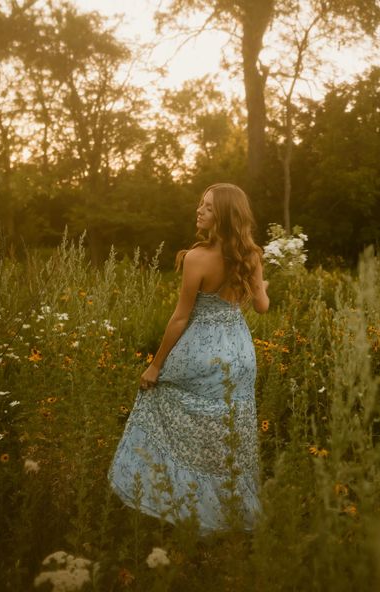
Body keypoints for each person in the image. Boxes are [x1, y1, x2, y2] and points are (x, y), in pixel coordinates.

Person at [108, 183, 269, 533]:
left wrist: (155, 365)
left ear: (223, 216)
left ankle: (186, 506)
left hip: (202, 350)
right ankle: (230, 512)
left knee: (159, 402)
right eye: (201, 204)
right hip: (239, 352)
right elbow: (261, 306)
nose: (199, 210)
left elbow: (181, 317)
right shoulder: (252, 256)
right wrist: (263, 286)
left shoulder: (196, 259)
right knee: (229, 432)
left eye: (208, 207)